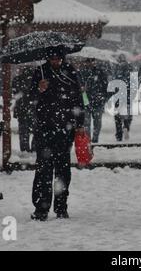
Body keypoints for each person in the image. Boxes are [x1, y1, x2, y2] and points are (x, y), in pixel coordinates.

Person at [29, 49, 85, 221]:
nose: (55, 61)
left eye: (58, 58)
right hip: (45, 127)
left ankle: (61, 207)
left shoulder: (71, 72)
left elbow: (80, 98)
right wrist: (39, 89)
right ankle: (41, 208)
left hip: (64, 128)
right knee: (43, 169)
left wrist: (80, 123)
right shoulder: (40, 72)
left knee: (62, 170)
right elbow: (30, 98)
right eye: (52, 58)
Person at [78, 58, 110, 143]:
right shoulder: (81, 72)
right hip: (85, 100)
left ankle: (95, 139)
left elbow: (105, 85)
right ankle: (88, 140)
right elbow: (77, 84)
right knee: (86, 123)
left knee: (97, 122)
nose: (90, 63)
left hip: (98, 101)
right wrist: (80, 88)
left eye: (92, 61)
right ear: (85, 62)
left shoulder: (100, 72)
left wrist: (104, 98)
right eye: (88, 61)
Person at [12, 67, 36, 154]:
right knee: (36, 131)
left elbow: (15, 94)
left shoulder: (17, 79)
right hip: (34, 108)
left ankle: (25, 150)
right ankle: (34, 150)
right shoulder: (36, 80)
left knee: (23, 132)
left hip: (22, 108)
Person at [113, 54, 133, 141]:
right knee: (127, 114)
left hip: (118, 95)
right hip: (128, 96)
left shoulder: (117, 69)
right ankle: (126, 126)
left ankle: (119, 134)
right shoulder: (130, 68)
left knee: (117, 116)